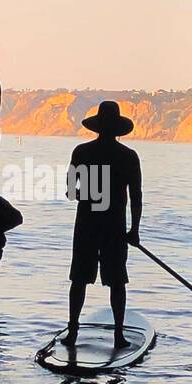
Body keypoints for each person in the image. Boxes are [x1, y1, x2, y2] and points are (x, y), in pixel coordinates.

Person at [64, 100, 142, 351]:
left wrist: (90, 189)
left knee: (79, 279)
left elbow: (70, 192)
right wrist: (135, 230)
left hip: (86, 223)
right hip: (114, 226)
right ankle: (119, 336)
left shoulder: (82, 152)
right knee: (117, 281)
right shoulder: (128, 156)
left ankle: (73, 331)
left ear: (97, 126)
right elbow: (136, 196)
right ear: (117, 128)